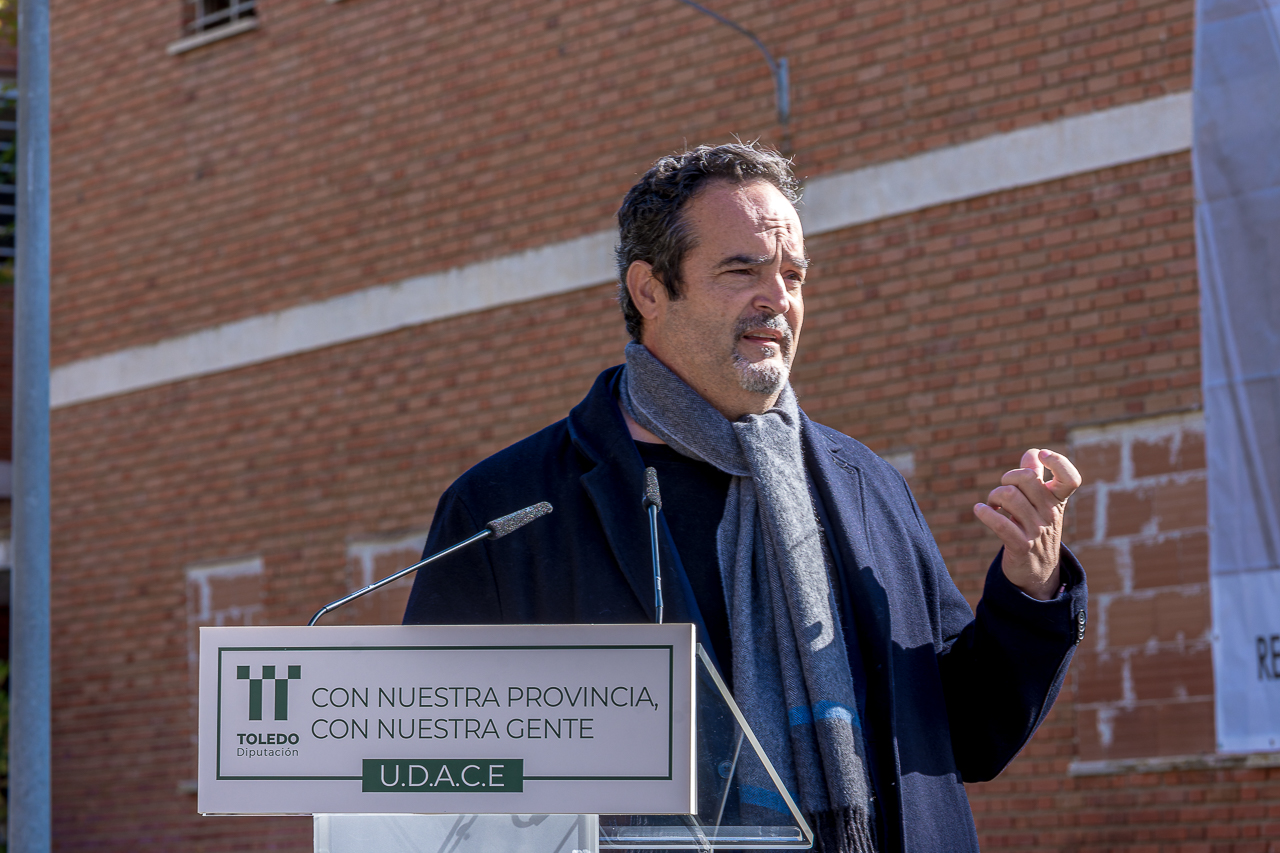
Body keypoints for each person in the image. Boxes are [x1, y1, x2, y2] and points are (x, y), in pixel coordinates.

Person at [403, 143, 1087, 853]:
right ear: (650, 290)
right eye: (743, 271)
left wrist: (1030, 584)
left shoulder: (866, 485)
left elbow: (969, 733)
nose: (778, 298)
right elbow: (436, 774)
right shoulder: (510, 507)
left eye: (792, 274)